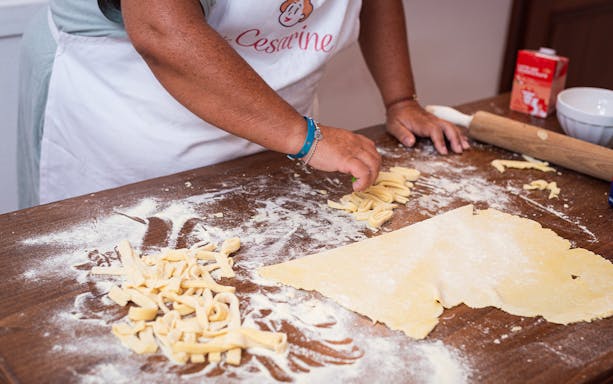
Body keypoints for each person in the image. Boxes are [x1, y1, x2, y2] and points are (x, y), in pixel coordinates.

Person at [17, 0, 469, 209]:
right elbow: (161, 28)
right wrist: (305, 137)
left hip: (274, 135)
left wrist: (401, 98)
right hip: (129, 113)